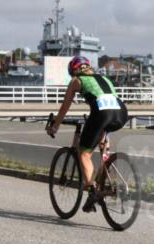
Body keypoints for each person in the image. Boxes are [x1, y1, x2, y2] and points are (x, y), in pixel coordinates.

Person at [47, 56, 129, 212]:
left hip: (102, 114)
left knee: (84, 153)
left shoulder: (77, 80)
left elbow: (65, 107)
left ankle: (92, 191)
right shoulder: (103, 78)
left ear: (73, 70)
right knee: (103, 143)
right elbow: (104, 100)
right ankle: (106, 172)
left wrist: (55, 126)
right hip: (121, 113)